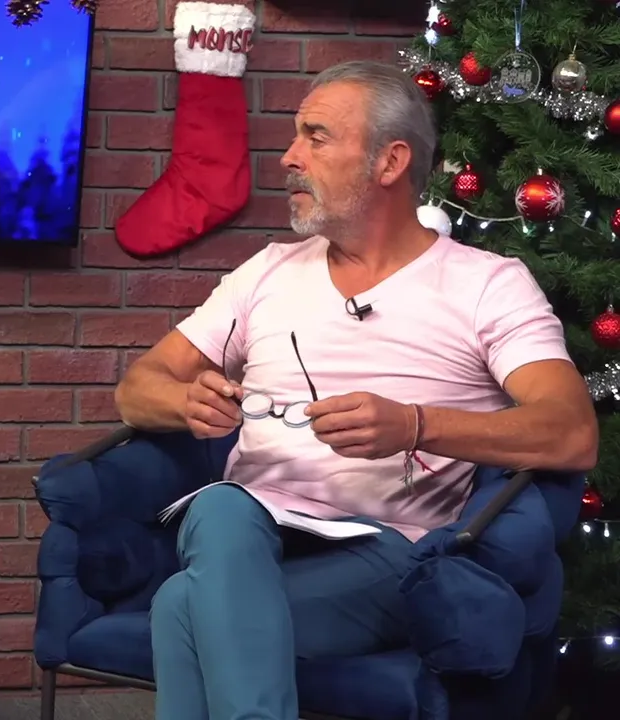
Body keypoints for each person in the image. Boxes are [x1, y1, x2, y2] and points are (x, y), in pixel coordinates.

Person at [114, 60, 599, 720]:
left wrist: (415, 425)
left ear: (390, 162)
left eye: (315, 137)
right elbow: (137, 387)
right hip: (249, 539)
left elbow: (571, 433)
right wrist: (181, 401)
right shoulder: (266, 272)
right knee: (222, 511)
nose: (289, 157)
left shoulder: (488, 284)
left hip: (390, 553)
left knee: (183, 604)